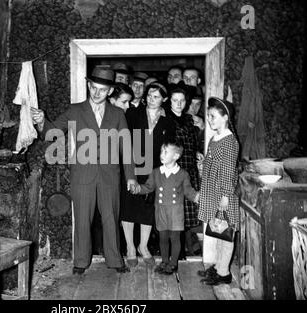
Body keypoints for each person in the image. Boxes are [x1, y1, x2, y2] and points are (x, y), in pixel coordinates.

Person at [31, 66, 137, 274]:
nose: (97, 93)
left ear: (110, 92)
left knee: (110, 218)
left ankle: (115, 260)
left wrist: (131, 177)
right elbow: (52, 132)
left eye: (103, 90)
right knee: (82, 218)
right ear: (89, 85)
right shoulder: (75, 110)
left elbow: (127, 147)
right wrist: (42, 121)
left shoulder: (117, 114)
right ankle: (80, 261)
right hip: (82, 174)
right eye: (94, 88)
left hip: (109, 175)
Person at [121, 82, 176, 267]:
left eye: (156, 96)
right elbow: (124, 141)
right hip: (132, 167)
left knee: (148, 209)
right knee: (129, 206)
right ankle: (129, 248)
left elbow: (169, 148)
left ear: (164, 100)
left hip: (154, 171)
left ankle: (143, 247)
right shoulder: (133, 114)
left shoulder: (168, 121)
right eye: (150, 95)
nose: (151, 99)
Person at [133, 141, 199, 275]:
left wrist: (197, 197)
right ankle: (164, 261)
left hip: (176, 212)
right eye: (161, 151)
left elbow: (188, 191)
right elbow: (149, 187)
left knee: (175, 238)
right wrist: (138, 188)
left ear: (176, 156)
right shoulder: (156, 172)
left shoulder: (182, 174)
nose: (161, 154)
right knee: (162, 238)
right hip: (161, 211)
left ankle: (173, 263)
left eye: (165, 152)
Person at [197, 97, 240, 285]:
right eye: (208, 116)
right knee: (217, 230)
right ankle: (217, 267)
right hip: (212, 191)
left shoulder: (230, 141)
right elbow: (213, 162)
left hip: (223, 194)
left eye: (213, 116)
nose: (209, 119)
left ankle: (224, 273)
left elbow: (229, 170)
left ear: (225, 117)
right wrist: (203, 164)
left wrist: (225, 195)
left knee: (226, 233)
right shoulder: (215, 138)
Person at [165, 86, 202, 258]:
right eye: (175, 100)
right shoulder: (165, 119)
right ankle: (174, 255)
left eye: (182, 100)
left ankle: (184, 250)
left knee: (187, 216)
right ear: (169, 101)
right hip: (173, 172)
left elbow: (194, 144)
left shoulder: (190, 120)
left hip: (190, 170)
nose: (179, 104)